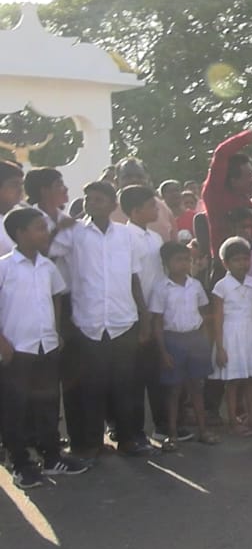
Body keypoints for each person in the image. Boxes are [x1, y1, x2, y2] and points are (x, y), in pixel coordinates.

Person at [51, 182, 155, 459]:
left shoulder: (126, 235)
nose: (91, 204)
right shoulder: (73, 233)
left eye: (98, 199)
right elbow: (48, 249)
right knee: (91, 387)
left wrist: (144, 317)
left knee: (125, 385)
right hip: (88, 322)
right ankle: (91, 443)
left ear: (113, 205)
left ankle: (129, 439)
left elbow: (133, 277)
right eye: (88, 199)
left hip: (123, 320)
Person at [0, 209, 90, 488]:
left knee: (47, 405)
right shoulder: (5, 267)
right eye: (39, 228)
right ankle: (21, 463)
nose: (45, 233)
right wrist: (3, 343)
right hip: (16, 349)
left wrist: (56, 330)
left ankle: (52, 457)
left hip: (46, 346)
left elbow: (56, 296)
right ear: (20, 233)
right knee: (15, 408)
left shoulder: (48, 266)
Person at [149, 241, 217, 449]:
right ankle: (172, 434)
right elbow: (157, 322)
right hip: (173, 340)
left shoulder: (195, 285)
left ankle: (203, 430)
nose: (184, 264)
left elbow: (204, 314)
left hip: (195, 339)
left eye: (187, 259)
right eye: (178, 260)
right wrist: (163, 351)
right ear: (166, 263)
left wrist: (206, 342)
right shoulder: (161, 288)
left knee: (196, 387)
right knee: (174, 390)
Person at [210, 236, 252, 436]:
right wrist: (219, 347)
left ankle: (251, 418)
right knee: (233, 381)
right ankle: (232, 421)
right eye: (236, 260)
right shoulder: (221, 287)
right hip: (231, 337)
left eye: (245, 259)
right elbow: (218, 319)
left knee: (251, 379)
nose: (242, 264)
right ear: (225, 263)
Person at [121, 184, 170, 439]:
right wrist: (144, 316)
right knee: (135, 378)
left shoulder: (155, 237)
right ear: (135, 210)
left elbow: (159, 277)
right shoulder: (125, 238)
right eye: (152, 206)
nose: (156, 210)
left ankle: (162, 426)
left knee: (156, 374)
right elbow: (132, 280)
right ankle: (134, 432)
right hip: (137, 316)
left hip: (155, 313)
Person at [201, 129, 252, 259]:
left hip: (251, 259)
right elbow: (221, 153)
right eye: (249, 176)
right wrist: (247, 137)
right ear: (233, 180)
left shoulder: (246, 199)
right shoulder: (216, 194)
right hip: (225, 262)